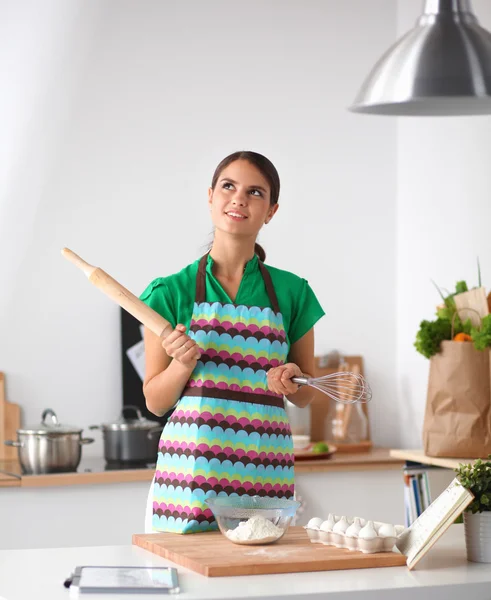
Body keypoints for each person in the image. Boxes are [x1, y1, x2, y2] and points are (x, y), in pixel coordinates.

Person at [140, 150, 325, 534]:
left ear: (271, 210)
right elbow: (156, 402)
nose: (239, 198)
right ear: (210, 197)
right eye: (229, 186)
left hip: (264, 478)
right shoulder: (168, 293)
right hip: (188, 481)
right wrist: (181, 365)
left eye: (255, 192)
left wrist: (294, 377)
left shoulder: (293, 292)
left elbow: (307, 393)